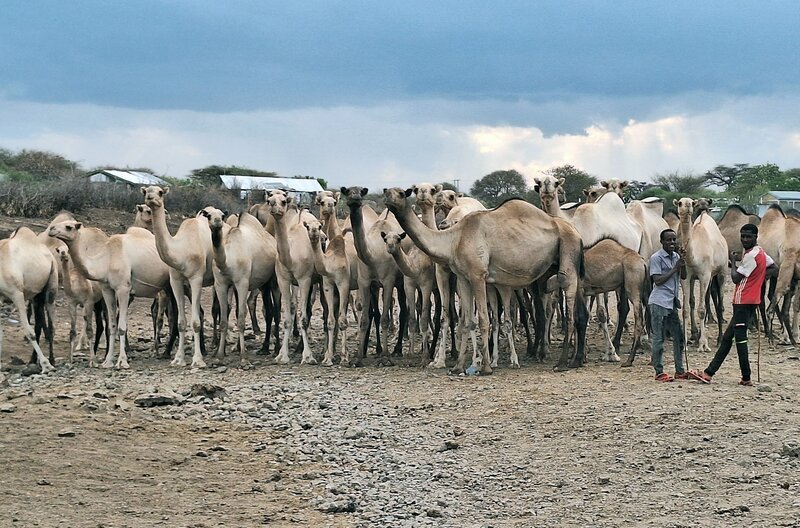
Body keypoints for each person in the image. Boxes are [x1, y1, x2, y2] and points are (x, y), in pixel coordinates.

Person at [689, 223, 775, 386]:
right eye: (742, 236)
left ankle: (746, 377)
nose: (744, 239)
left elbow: (735, 278)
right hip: (751, 300)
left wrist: (734, 261)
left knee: (740, 339)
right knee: (728, 338)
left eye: (748, 236)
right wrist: (758, 279)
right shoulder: (761, 252)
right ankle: (708, 373)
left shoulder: (750, 256)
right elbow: (773, 267)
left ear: (755, 237)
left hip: (743, 301)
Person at [648, 229, 687, 382]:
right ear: (662, 242)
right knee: (659, 338)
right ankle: (659, 371)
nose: (672, 243)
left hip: (671, 302)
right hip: (659, 302)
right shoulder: (656, 258)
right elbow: (657, 280)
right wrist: (675, 268)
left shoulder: (676, 257)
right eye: (669, 240)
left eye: (674, 240)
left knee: (679, 337)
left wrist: (682, 262)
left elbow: (683, 276)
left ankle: (680, 370)